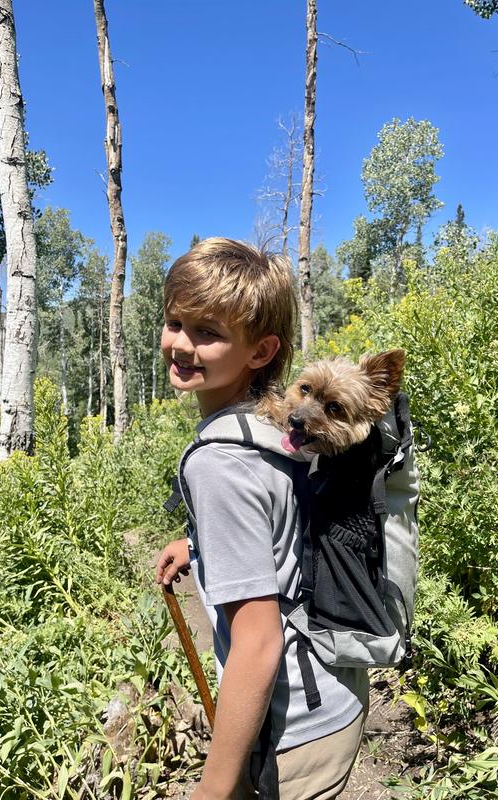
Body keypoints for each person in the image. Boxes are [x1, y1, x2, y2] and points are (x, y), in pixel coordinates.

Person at [155, 238, 369, 800]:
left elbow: (257, 645)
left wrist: (212, 789)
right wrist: (198, 543)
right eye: (176, 321)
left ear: (261, 350)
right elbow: (281, 523)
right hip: (337, 694)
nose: (182, 344)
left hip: (292, 731)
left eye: (209, 332)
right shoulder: (275, 429)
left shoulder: (221, 462)